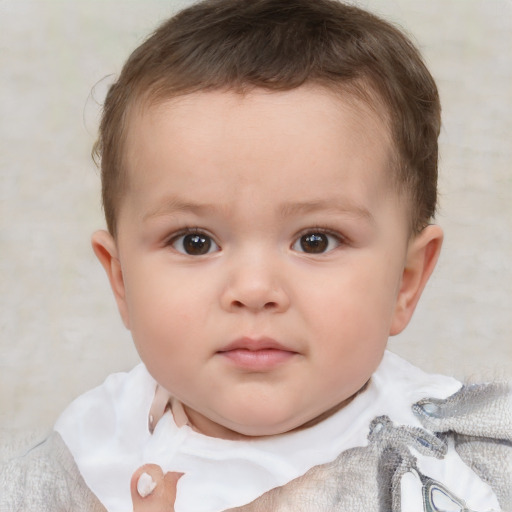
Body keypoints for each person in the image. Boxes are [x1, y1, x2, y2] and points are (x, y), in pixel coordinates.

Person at [1, 0, 510, 511]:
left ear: (405, 280)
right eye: (194, 241)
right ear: (121, 281)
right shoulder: (75, 465)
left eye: (316, 240)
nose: (253, 290)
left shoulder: (461, 466)